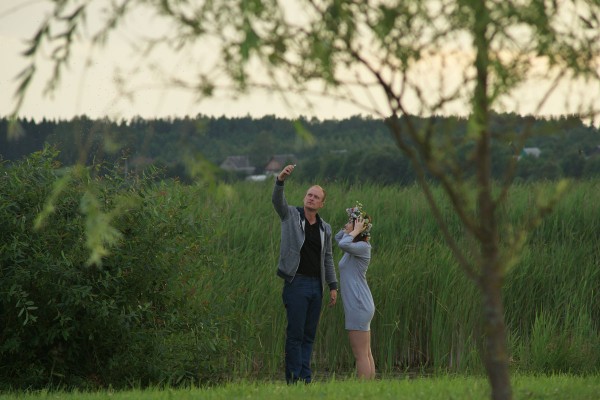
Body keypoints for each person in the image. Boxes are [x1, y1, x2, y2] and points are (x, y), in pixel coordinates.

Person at [272, 164, 338, 384]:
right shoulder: (290, 215)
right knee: (295, 336)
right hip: (296, 284)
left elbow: (327, 257)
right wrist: (280, 180)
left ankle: (305, 379)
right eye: (309, 195)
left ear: (321, 203)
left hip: (315, 287)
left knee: (309, 336)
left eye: (316, 197)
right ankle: (293, 380)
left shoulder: (325, 228)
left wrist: (333, 285)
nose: (311, 198)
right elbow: (277, 201)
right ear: (304, 198)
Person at [334, 203, 375, 379]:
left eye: (351, 222)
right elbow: (338, 239)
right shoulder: (353, 248)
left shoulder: (363, 248)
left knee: (360, 355)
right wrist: (350, 226)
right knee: (366, 353)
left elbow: (343, 243)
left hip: (358, 305)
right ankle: (372, 392)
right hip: (360, 304)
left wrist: (354, 230)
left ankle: (364, 392)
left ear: (359, 229)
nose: (347, 224)